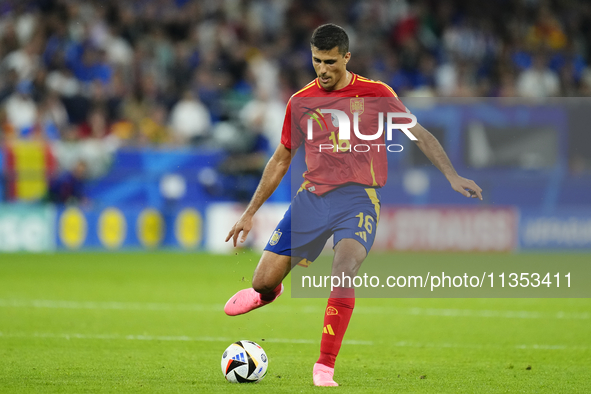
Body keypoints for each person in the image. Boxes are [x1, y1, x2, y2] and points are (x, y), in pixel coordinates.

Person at [224, 24, 483, 387]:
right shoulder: (300, 102)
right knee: (263, 281)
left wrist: (452, 176)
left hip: (358, 200)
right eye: (316, 61)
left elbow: (419, 134)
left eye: (330, 61)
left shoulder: (376, 94)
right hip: (311, 199)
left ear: (346, 57)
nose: (322, 69)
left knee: (343, 270)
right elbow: (281, 158)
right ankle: (270, 290)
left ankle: (324, 365)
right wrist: (250, 212)